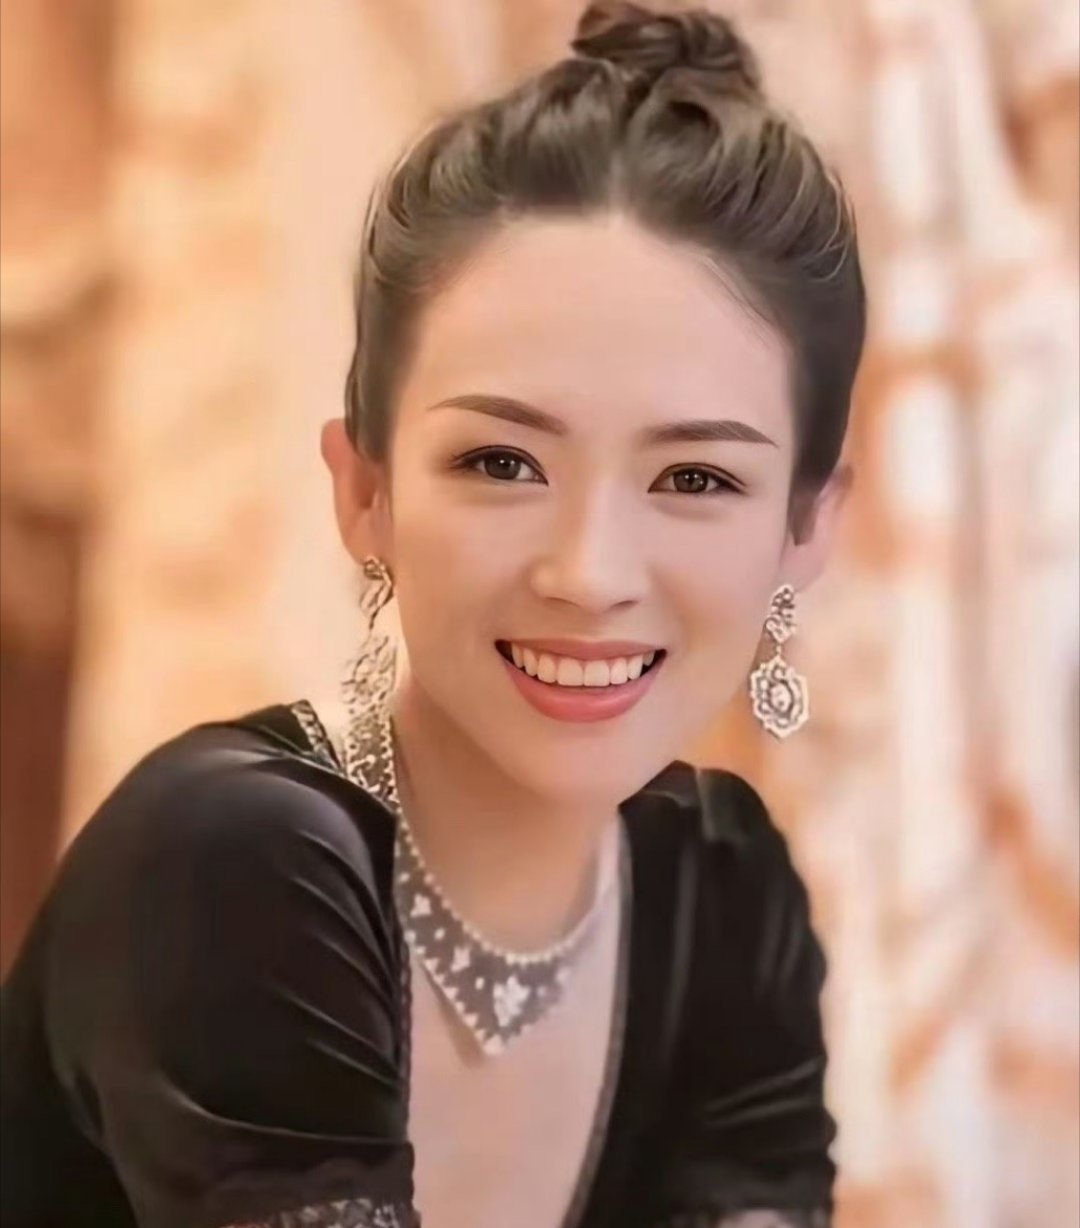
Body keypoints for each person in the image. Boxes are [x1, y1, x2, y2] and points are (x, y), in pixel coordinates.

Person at [0, 2, 866, 1225]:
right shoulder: (238, 862)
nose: (588, 572)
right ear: (364, 491)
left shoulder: (724, 894)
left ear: (807, 526)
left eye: (694, 478)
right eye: (502, 463)